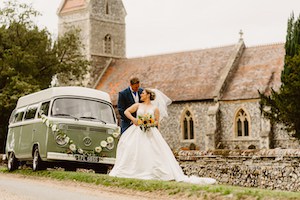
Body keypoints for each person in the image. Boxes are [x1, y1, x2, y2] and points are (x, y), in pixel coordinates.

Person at [110, 88, 216, 185]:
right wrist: (134, 120)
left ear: (148, 95)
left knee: (152, 151)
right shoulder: (138, 105)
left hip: (150, 132)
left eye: (143, 93)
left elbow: (157, 122)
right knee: (131, 148)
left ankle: (152, 171)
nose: (141, 94)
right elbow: (126, 111)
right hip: (137, 131)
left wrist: (150, 124)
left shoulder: (155, 108)